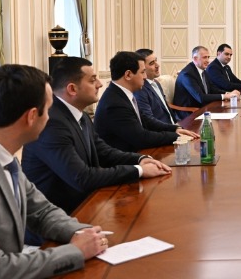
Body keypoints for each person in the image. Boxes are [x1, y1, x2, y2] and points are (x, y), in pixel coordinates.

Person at [0, 64, 109, 277]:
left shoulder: (3, 155)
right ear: (32, 116)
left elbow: (42, 212)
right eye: (48, 110)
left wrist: (83, 233)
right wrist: (76, 251)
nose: (50, 117)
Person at [22, 57, 172, 217]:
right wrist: (139, 171)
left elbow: (104, 152)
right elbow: (82, 177)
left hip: (86, 206)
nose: (100, 84)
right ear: (72, 89)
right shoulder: (51, 123)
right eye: (93, 80)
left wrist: (140, 160)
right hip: (57, 219)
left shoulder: (81, 115)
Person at [94, 51, 197, 152]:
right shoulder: (115, 104)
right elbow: (141, 138)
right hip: (125, 158)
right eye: (142, 72)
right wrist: (176, 136)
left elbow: (146, 120)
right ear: (128, 75)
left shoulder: (122, 94)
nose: (145, 77)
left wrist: (175, 129)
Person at [172, 46, 240, 120]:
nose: (208, 61)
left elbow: (212, 89)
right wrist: (225, 96)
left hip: (202, 109)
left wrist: (228, 93)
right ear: (195, 58)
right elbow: (201, 98)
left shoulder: (202, 71)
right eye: (204, 57)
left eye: (208, 57)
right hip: (188, 114)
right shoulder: (187, 74)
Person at [134, 48, 179, 126]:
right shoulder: (140, 89)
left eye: (156, 61)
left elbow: (166, 111)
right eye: (152, 63)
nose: (157, 65)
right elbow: (149, 121)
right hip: (162, 131)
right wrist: (174, 129)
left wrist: (177, 126)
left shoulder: (156, 83)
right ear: (142, 67)